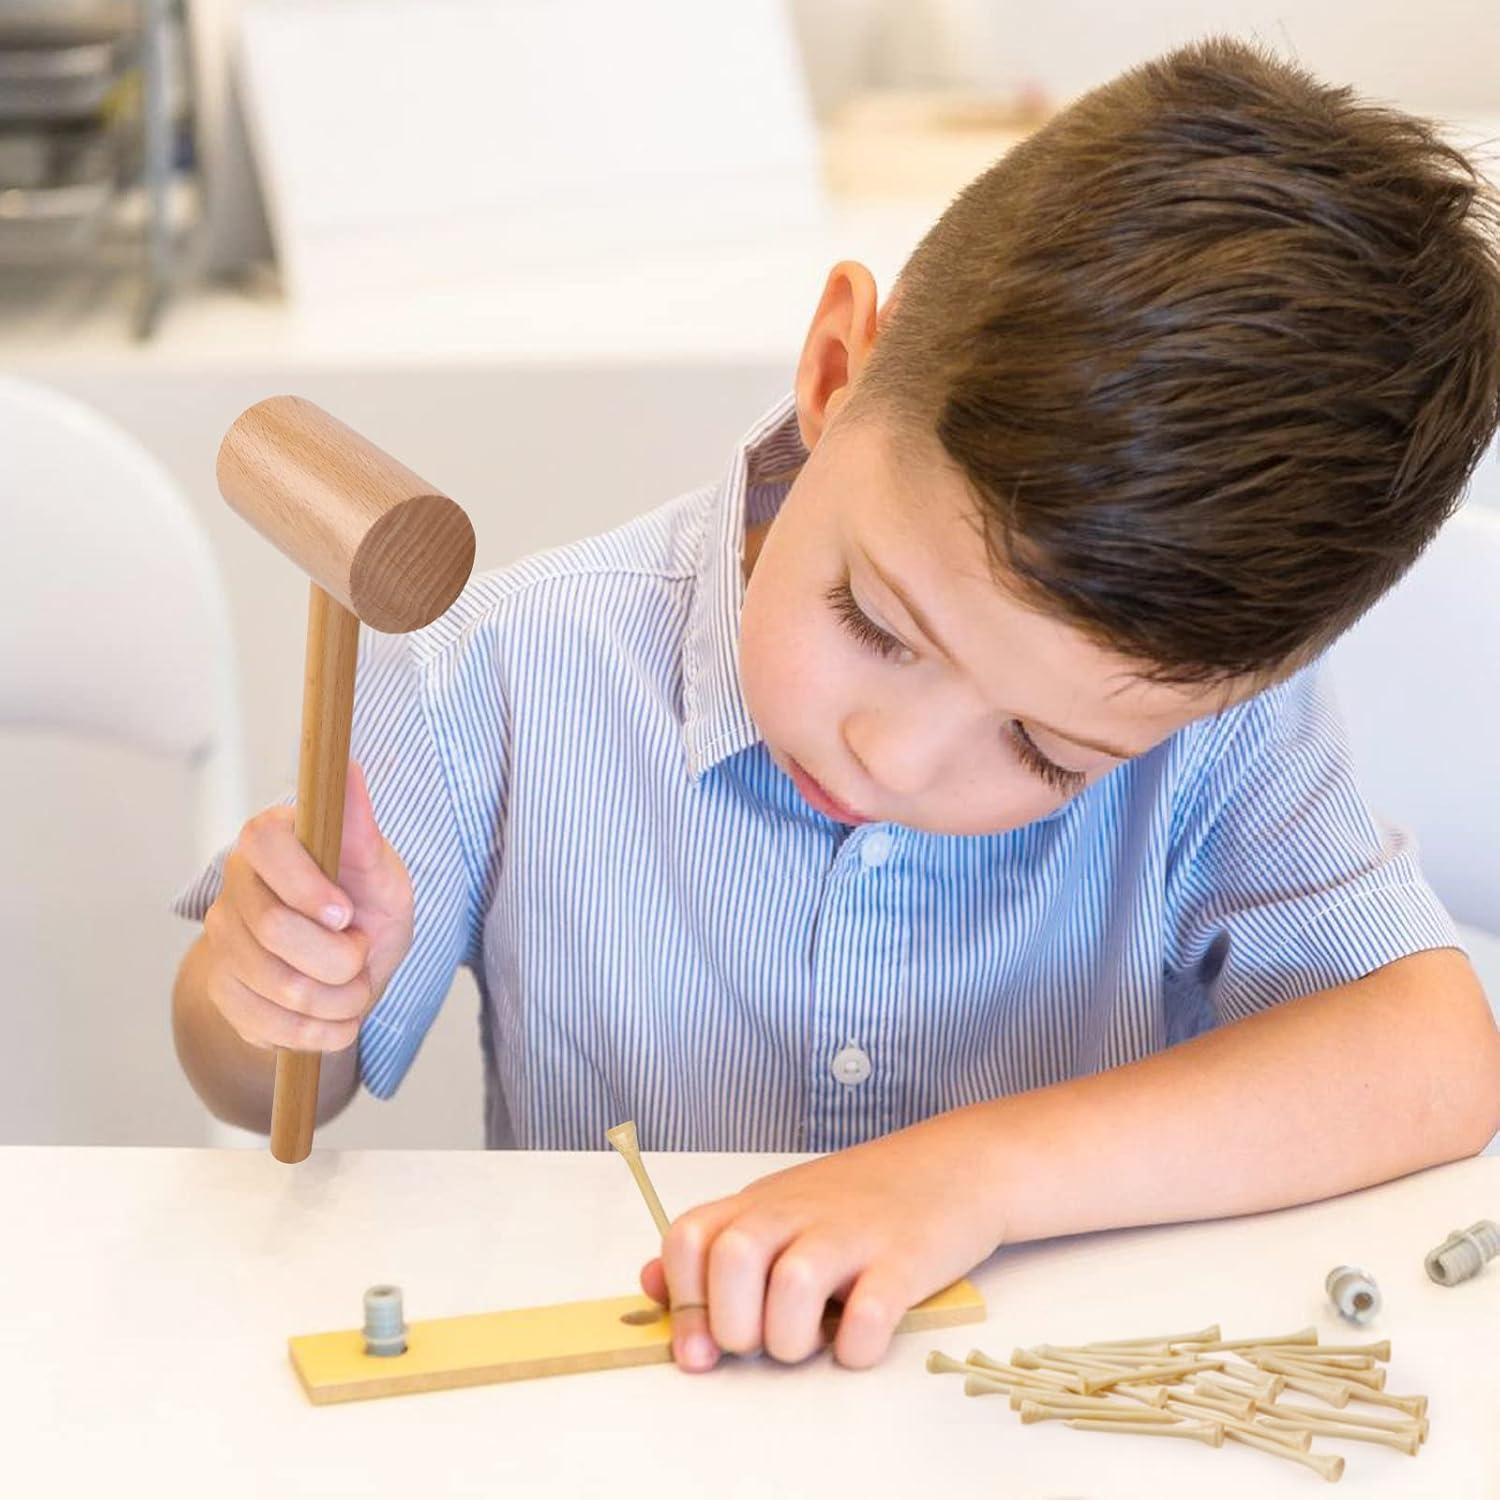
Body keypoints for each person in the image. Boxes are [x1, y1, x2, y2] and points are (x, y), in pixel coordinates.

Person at [171, 38, 1500, 1376]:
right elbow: (259, 1087)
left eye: (1044, 753)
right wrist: (273, 995)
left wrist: (968, 1178)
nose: (896, 757)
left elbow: (1435, 1058)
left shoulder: (1209, 724)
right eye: (874, 622)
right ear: (832, 371)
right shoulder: (501, 671)